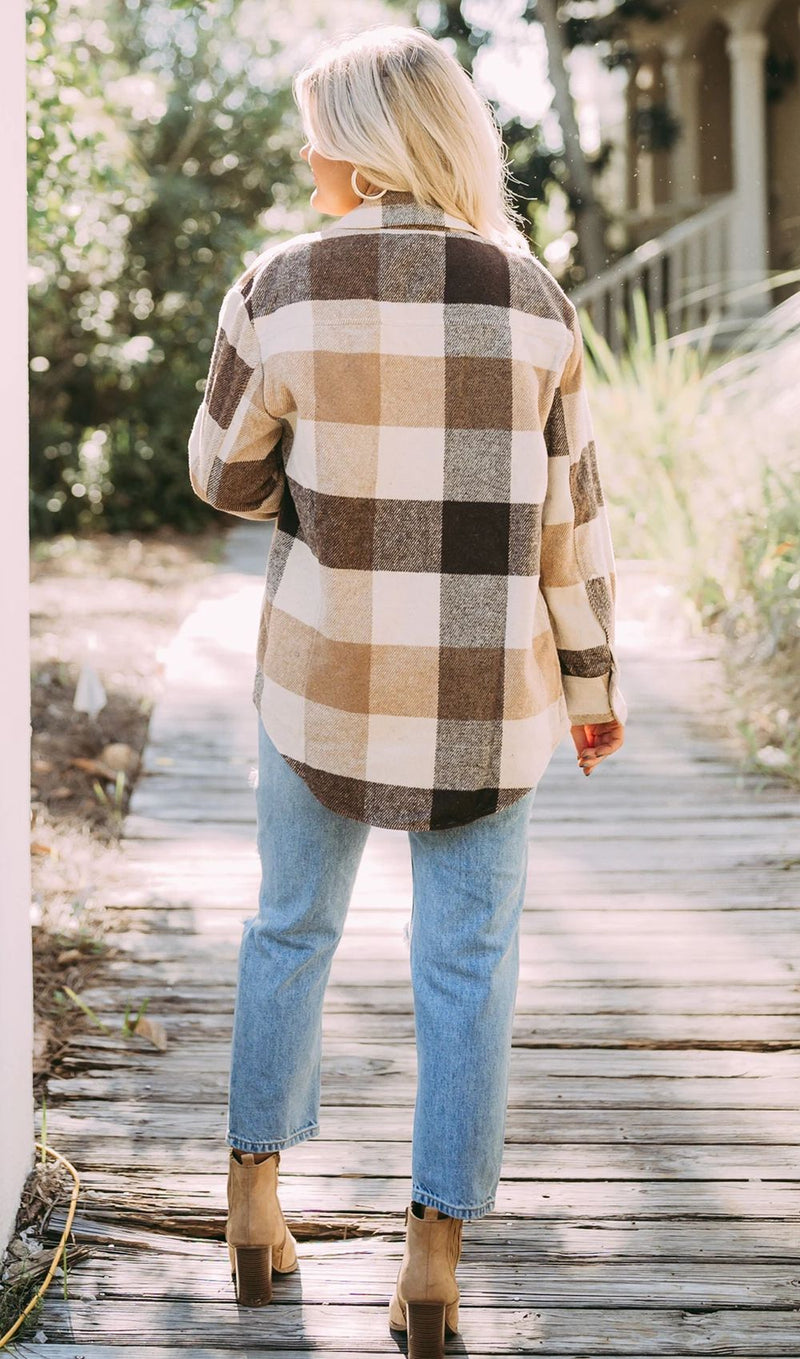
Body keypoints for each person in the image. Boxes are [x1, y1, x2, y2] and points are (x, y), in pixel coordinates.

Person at [188, 22, 627, 1358]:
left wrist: (308, 481)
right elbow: (574, 527)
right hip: (491, 699)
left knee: (287, 933)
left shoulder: (277, 287)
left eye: (315, 127)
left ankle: (253, 1208)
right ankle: (432, 1259)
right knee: (470, 967)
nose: (304, 153)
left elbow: (221, 476)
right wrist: (595, 686)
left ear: (362, 143)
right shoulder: (535, 297)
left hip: (321, 681)